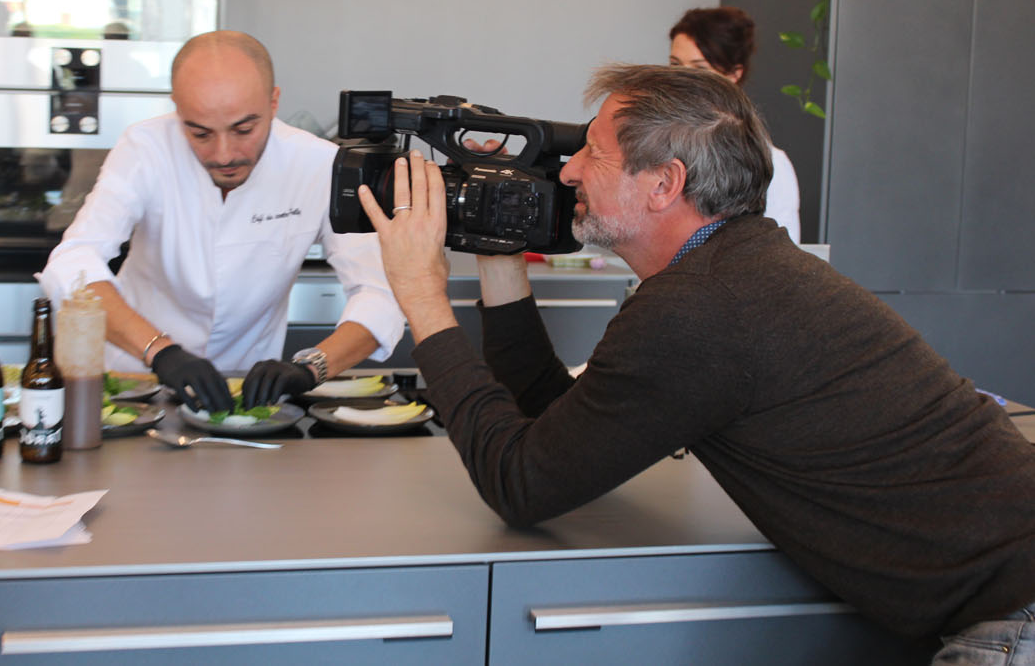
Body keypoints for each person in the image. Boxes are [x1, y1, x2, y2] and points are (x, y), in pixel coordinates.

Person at [358, 64, 1035, 661]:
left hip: (1014, 613)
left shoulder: (700, 309)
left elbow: (520, 483)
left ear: (663, 183)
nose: (567, 171)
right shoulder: (735, 272)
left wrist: (421, 294)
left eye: (592, 152)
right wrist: (500, 258)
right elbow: (555, 428)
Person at [38, 30, 404, 412]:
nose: (224, 154)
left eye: (244, 130)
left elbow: (380, 290)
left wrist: (313, 367)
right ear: (177, 109)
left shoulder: (319, 164)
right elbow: (74, 259)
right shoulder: (145, 147)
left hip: (246, 395)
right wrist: (160, 351)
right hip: (134, 380)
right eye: (200, 133)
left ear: (274, 101)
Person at [668, 6, 801, 243]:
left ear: (733, 74)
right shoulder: (660, 145)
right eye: (676, 65)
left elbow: (781, 253)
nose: (683, 79)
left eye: (700, 69)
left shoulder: (769, 163)